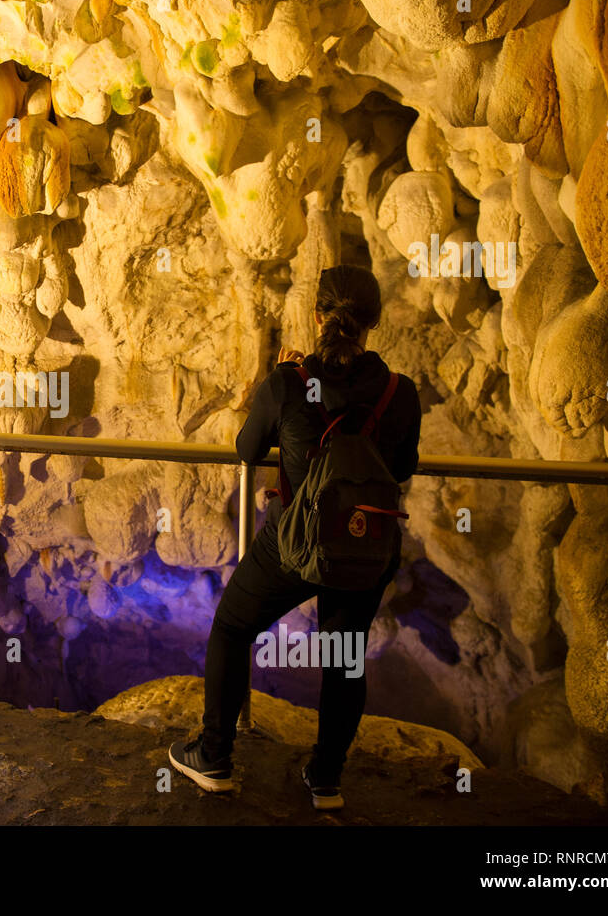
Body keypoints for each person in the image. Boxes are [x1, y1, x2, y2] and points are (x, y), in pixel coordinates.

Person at [169, 264, 422, 809]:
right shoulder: (400, 393)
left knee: (234, 627)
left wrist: (284, 388)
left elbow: (247, 450)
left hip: (295, 542)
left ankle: (214, 757)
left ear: (317, 316)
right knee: (345, 655)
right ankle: (326, 779)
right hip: (364, 542)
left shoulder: (289, 383)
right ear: (372, 323)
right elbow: (402, 468)